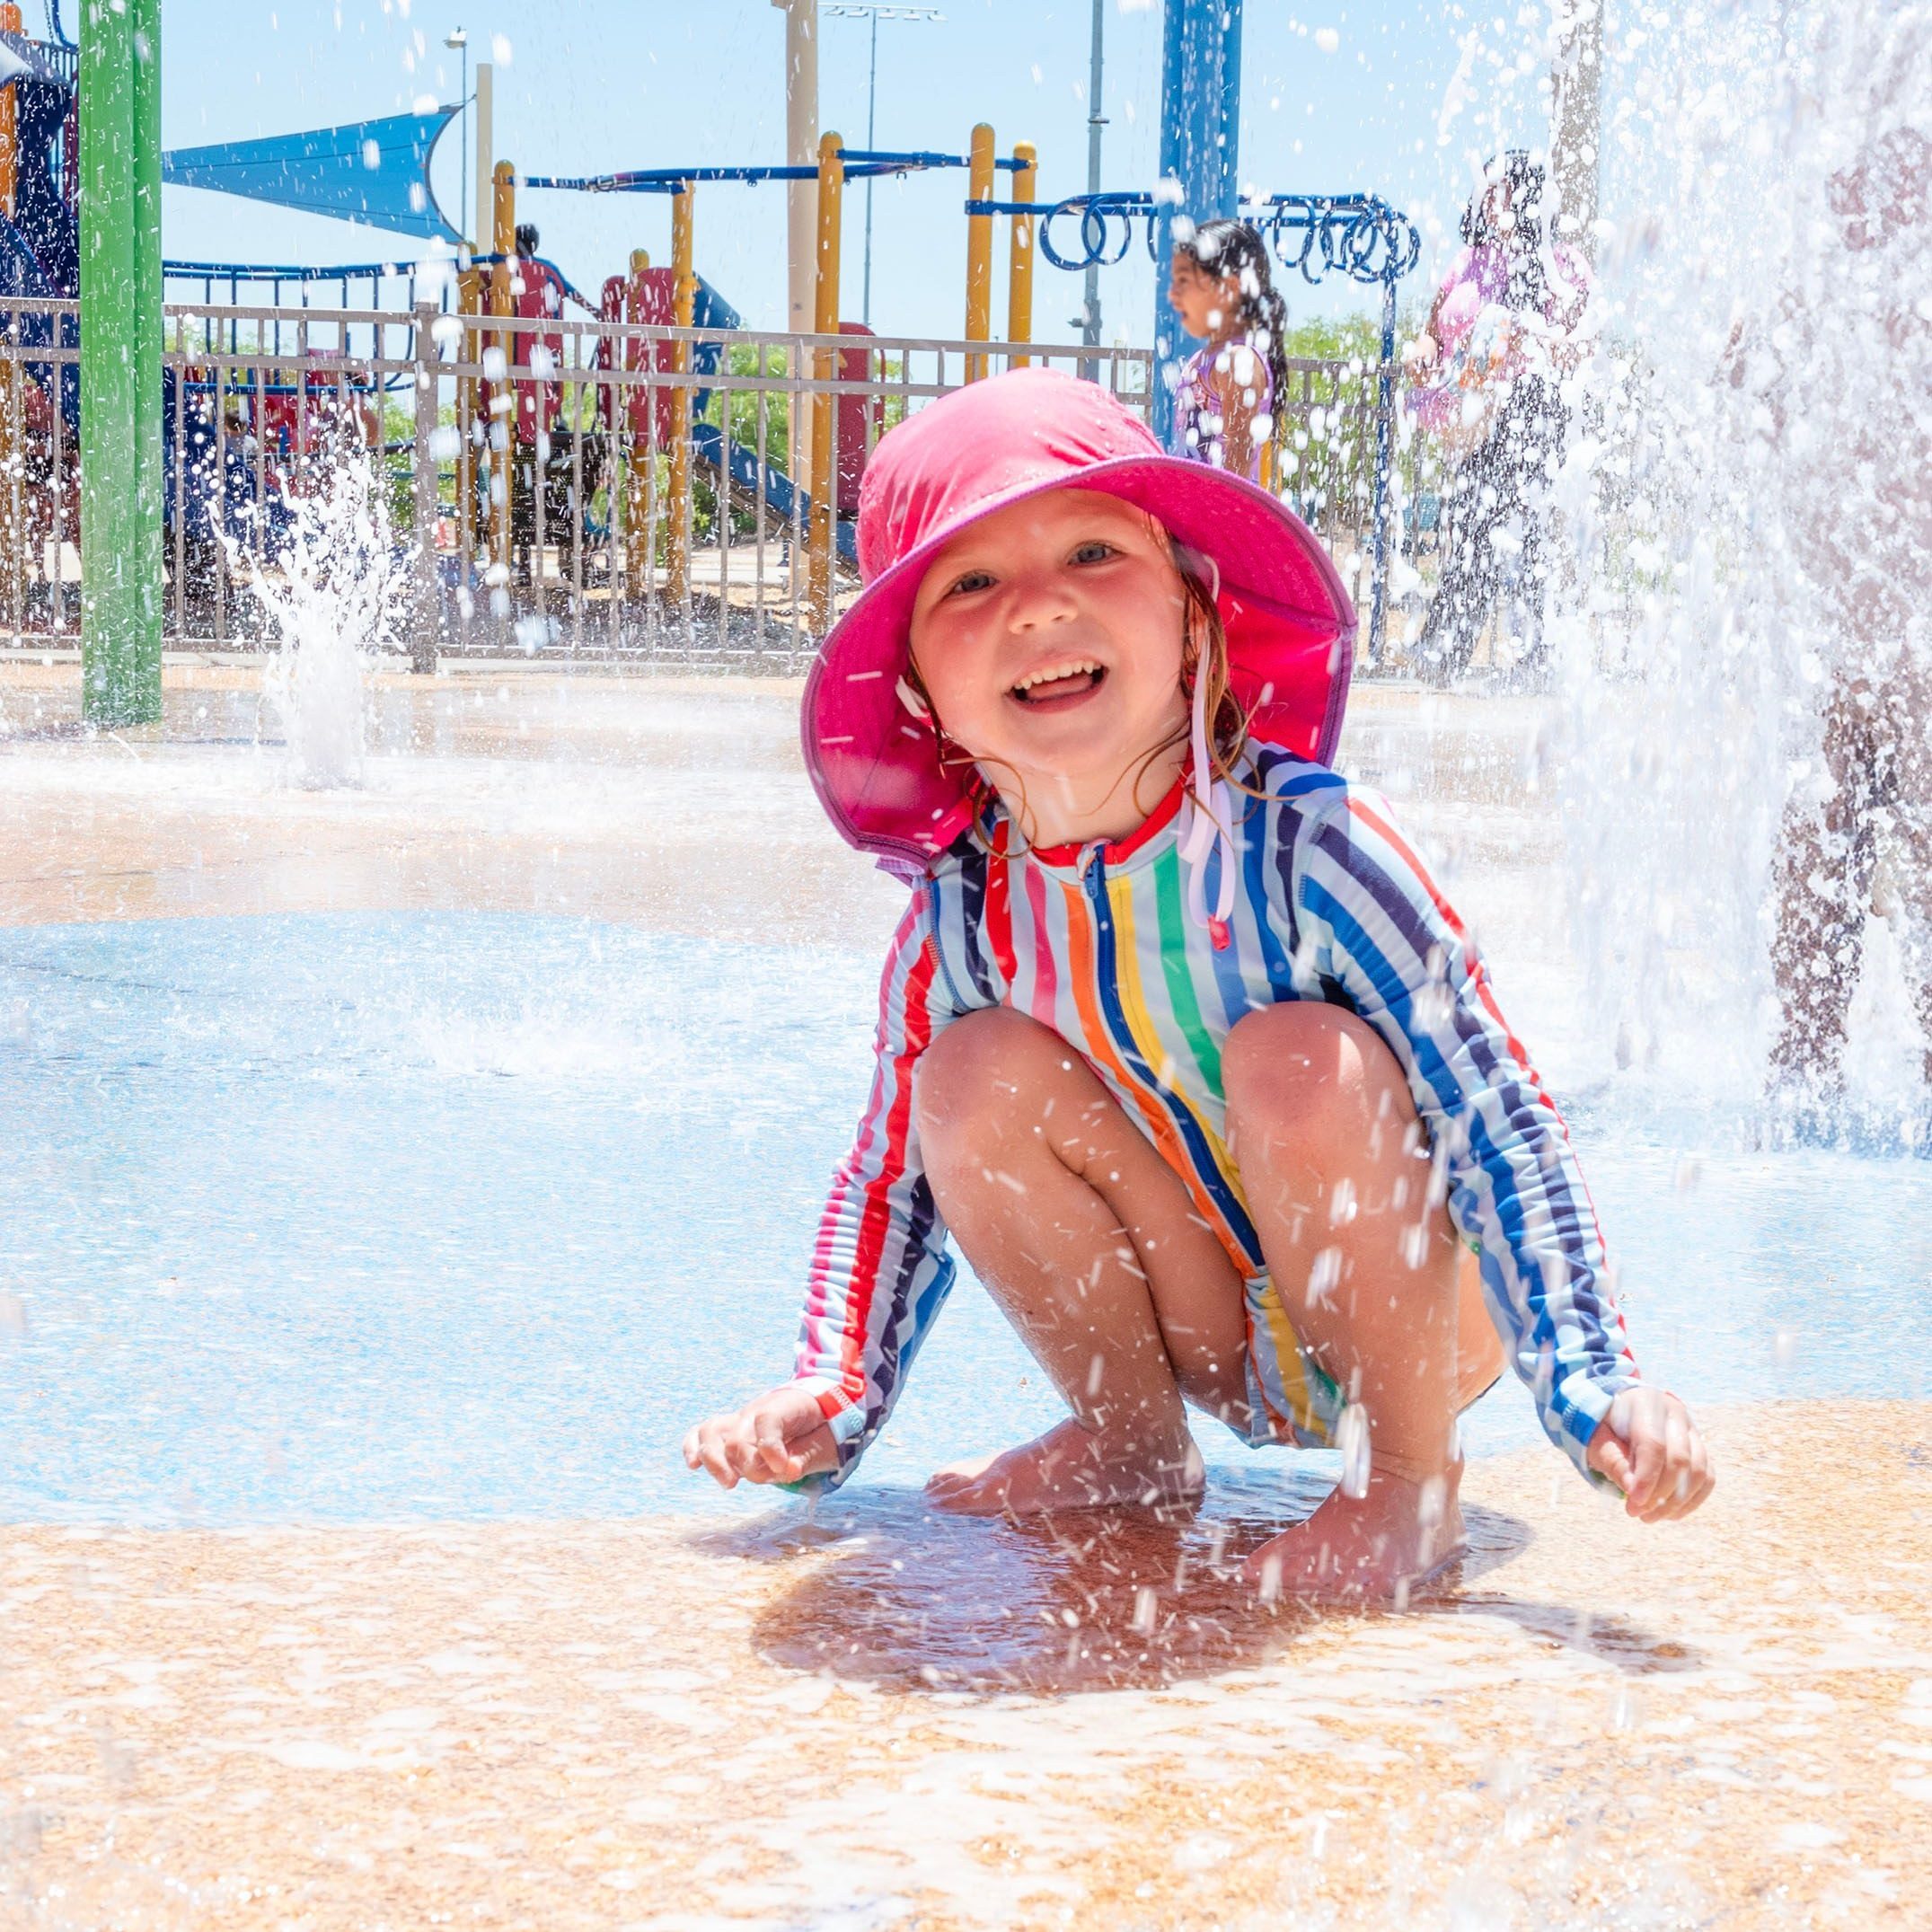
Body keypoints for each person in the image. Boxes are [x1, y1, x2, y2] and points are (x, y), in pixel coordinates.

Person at [683, 367, 1711, 1603]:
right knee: (962, 1077)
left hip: (1422, 1317)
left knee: (1297, 1057)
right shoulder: (961, 913)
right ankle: (1129, 1441)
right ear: (919, 695)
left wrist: (1589, 1380)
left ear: (1192, 613)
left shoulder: (1309, 848)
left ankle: (1403, 1482)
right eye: (970, 581)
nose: (1037, 605)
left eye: (1092, 551)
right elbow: (889, 1179)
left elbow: (1494, 1109)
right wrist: (833, 1389)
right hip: (1210, 1327)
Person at [1739, 8, 1932, 1118]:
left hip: (1908, 652)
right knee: (1818, 845)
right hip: (1845, 650)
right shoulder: (1823, 296)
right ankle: (1800, 1083)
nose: (1849, 194)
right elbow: (1748, 392)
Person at [1406, 151, 1590, 684]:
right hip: (1476, 414)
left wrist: (1528, 338)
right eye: (1485, 189)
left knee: (1524, 534)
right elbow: (1433, 333)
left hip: (1536, 411)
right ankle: (1455, 652)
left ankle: (1525, 660)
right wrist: (1422, 351)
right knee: (1470, 528)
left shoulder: (1564, 264)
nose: (1490, 199)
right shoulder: (1468, 261)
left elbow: (1581, 348)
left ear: (1529, 195)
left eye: (1501, 188)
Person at [1164, 219, 1290, 482]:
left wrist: (1213, 521)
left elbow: (1238, 463)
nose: (1174, 295)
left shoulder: (1238, 361)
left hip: (1223, 513)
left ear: (1230, 289)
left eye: (1186, 282)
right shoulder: (1204, 359)